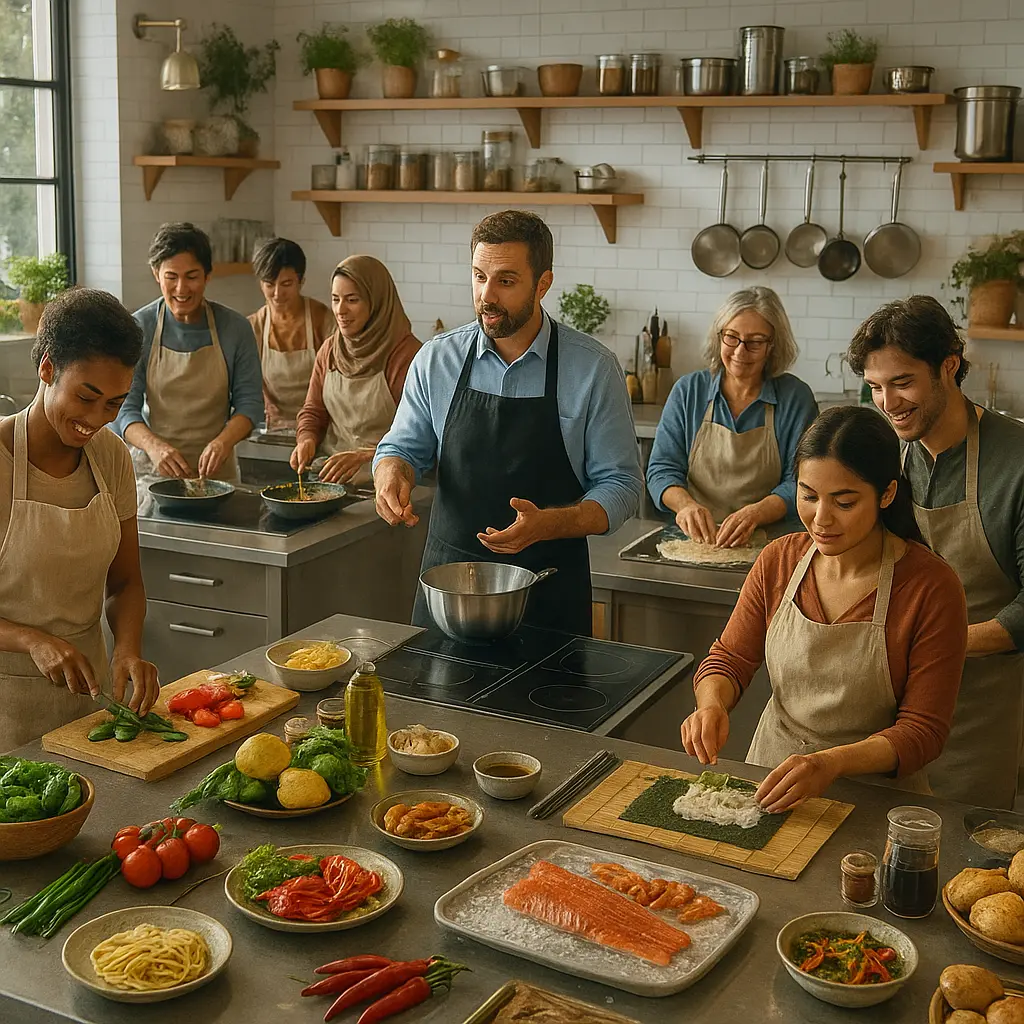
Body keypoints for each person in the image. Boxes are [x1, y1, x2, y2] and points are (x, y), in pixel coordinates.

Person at [680, 406, 968, 811]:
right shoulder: (778, 559)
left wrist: (830, 763)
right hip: (770, 784)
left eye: (844, 502)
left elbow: (923, 731)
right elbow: (728, 659)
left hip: (875, 804)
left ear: (886, 494)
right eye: (808, 495)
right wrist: (710, 705)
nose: (820, 519)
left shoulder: (930, 587)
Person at [373, 210, 643, 636]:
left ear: (543, 284)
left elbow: (623, 486)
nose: (487, 296)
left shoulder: (592, 369)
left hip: (548, 596)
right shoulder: (437, 359)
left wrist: (551, 524)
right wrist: (390, 473)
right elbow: (403, 447)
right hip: (450, 593)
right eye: (479, 277)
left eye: (506, 281)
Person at [849, 295, 1024, 809]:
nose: (887, 402)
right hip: (883, 711)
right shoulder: (886, 454)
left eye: (902, 383)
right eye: (875, 387)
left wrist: (938, 646)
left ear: (949, 366)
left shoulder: (1015, 463)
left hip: (974, 716)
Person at [0, 290, 160, 751]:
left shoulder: (111, 457)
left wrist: (128, 649)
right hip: (7, 713)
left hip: (88, 710)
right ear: (47, 368)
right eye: (86, 397)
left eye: (114, 403)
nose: (96, 419)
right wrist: (31, 640)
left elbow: (126, 582)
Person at [647, 287, 818, 548]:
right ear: (719, 337)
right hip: (696, 540)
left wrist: (756, 513)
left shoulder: (795, 398)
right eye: (732, 337)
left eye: (755, 342)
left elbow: (802, 482)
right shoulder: (688, 391)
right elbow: (661, 470)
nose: (740, 352)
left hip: (771, 543)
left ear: (773, 345)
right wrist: (686, 506)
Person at [115, 222, 264, 482]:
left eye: (192, 277)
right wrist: (153, 446)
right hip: (156, 475)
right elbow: (124, 409)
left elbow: (250, 405)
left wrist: (222, 443)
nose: (182, 289)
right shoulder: (140, 328)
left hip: (218, 476)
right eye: (171, 277)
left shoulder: (236, 328)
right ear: (156, 274)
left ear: (208, 275)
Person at [290, 255, 421, 486]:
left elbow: (423, 438)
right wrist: (306, 439)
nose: (340, 310)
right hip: (331, 483)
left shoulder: (408, 357)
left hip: (388, 486)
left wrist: (365, 455)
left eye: (352, 300)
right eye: (335, 299)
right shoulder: (330, 350)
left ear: (377, 301)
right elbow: (313, 411)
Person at [247, 238, 333, 431]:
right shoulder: (254, 327)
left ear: (301, 281)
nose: (277, 293)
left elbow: (336, 381)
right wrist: (268, 406)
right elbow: (250, 383)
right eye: (269, 284)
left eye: (286, 284)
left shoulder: (323, 320)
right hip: (276, 426)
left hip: (321, 426)